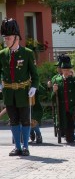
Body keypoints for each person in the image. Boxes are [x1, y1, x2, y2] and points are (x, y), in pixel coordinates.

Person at [0, 18, 39, 156]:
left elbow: (35, 74)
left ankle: (26, 146)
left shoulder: (27, 53)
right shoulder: (2, 54)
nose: (6, 41)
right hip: (9, 92)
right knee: (13, 120)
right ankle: (17, 147)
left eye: (8, 38)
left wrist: (34, 86)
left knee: (25, 120)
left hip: (23, 92)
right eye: (5, 38)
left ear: (16, 38)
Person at [52, 55, 75, 143]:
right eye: (64, 70)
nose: (66, 72)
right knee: (69, 139)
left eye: (68, 70)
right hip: (65, 111)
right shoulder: (58, 80)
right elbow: (53, 98)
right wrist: (54, 91)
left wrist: (74, 76)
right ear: (62, 70)